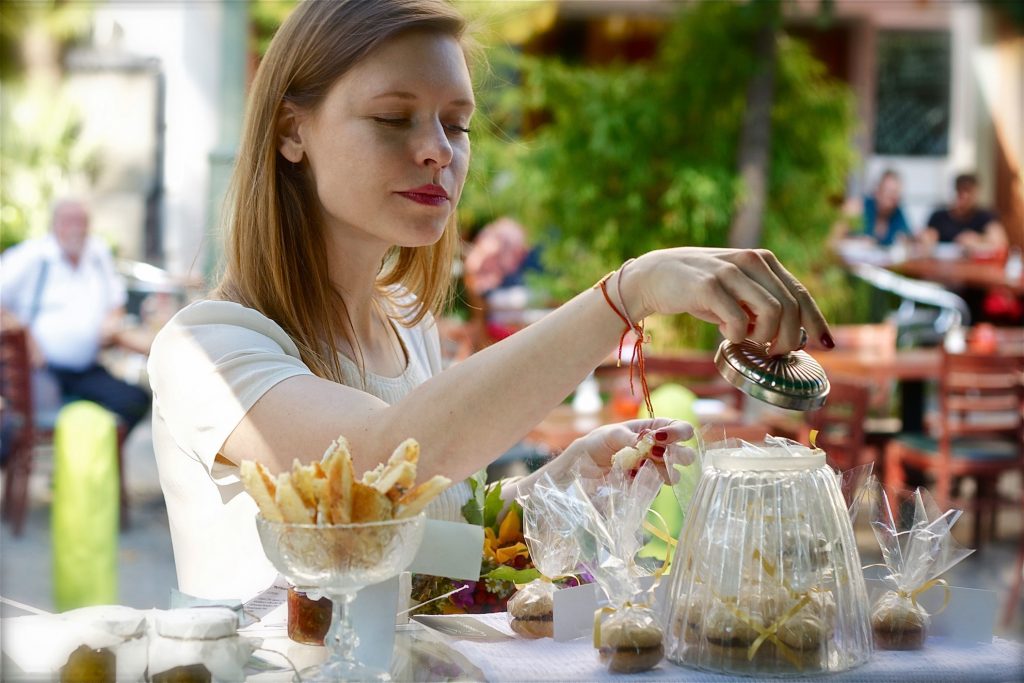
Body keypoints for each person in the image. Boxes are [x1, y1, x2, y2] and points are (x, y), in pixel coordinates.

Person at [147, 0, 834, 602]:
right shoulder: (204, 348)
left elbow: (428, 560)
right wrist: (628, 292)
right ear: (291, 132)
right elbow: (385, 463)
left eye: (458, 124)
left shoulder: (407, 327)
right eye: (394, 118)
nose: (438, 151)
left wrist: (556, 490)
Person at [0, 198, 150, 436]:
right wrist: (23, 335)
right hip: (42, 369)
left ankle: (95, 461)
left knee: (135, 400)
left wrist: (111, 321)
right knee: (30, 418)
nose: (76, 228)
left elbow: (115, 302)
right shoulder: (32, 256)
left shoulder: (97, 253)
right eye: (69, 221)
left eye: (82, 221)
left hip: (86, 368)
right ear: (54, 224)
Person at [922, 173, 1008, 256]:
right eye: (960, 190)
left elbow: (1001, 243)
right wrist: (926, 240)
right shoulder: (939, 215)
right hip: (941, 266)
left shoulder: (985, 216)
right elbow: (926, 237)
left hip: (974, 267)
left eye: (969, 191)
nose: (964, 195)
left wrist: (978, 240)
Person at [830, 169, 912, 248]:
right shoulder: (857, 208)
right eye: (888, 192)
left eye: (896, 193)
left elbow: (909, 241)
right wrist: (855, 244)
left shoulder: (898, 214)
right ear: (877, 191)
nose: (893, 197)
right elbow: (832, 242)